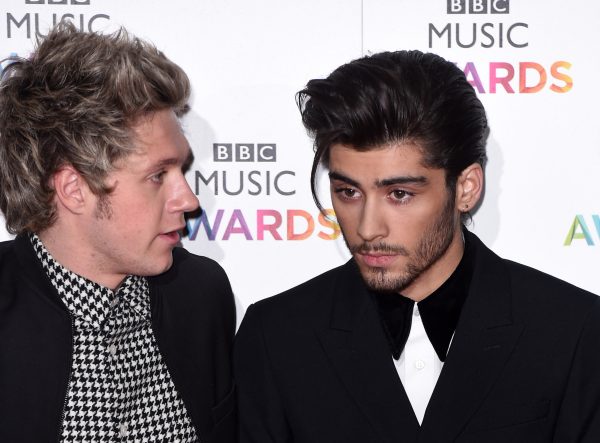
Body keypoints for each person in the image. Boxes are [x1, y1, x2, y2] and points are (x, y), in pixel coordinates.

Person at [234, 50, 600, 442]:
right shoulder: (277, 337)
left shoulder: (573, 332)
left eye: (400, 194)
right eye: (348, 191)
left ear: (466, 188)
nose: (368, 228)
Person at [0, 23, 235, 443]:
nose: (189, 200)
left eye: (182, 168)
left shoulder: (201, 294)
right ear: (74, 189)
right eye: (158, 175)